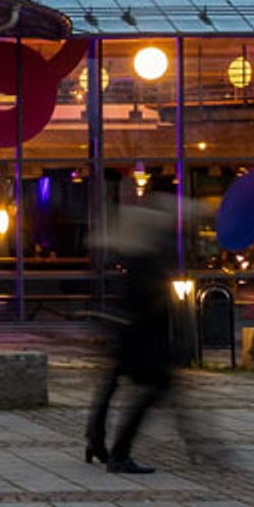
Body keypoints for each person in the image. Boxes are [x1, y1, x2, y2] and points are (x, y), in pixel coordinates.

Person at [85, 198, 181, 474]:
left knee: (112, 382)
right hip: (141, 335)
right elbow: (149, 300)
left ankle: (95, 439)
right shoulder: (147, 260)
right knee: (151, 390)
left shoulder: (126, 258)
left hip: (126, 330)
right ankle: (119, 452)